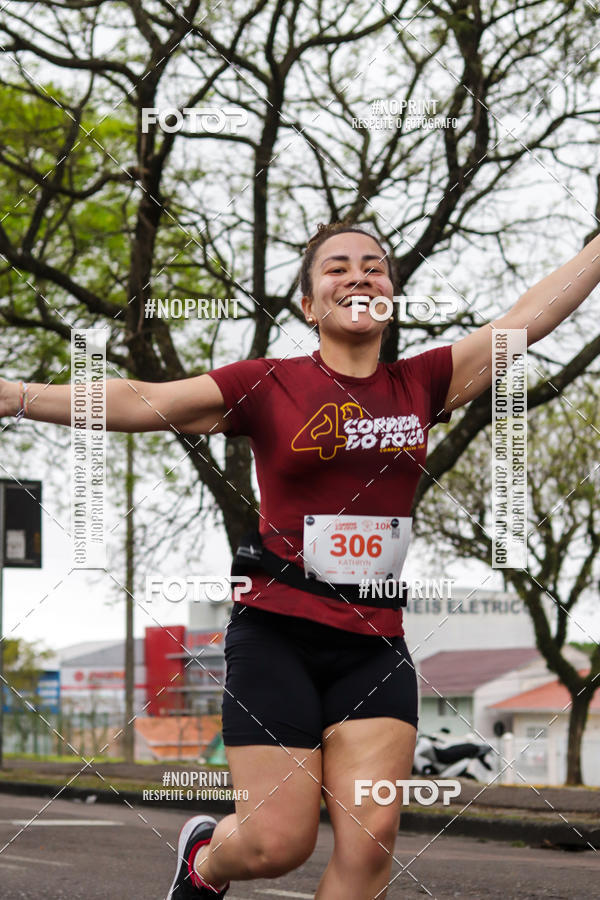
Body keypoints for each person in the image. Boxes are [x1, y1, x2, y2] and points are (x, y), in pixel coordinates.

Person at [1, 222, 597, 899]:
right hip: (276, 634)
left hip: (375, 645)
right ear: (310, 305)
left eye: (375, 267)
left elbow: (529, 318)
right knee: (275, 845)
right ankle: (205, 856)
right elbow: (148, 400)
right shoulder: (268, 386)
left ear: (392, 296)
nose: (359, 276)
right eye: (337, 268)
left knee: (370, 849)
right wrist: (17, 396)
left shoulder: (423, 383)